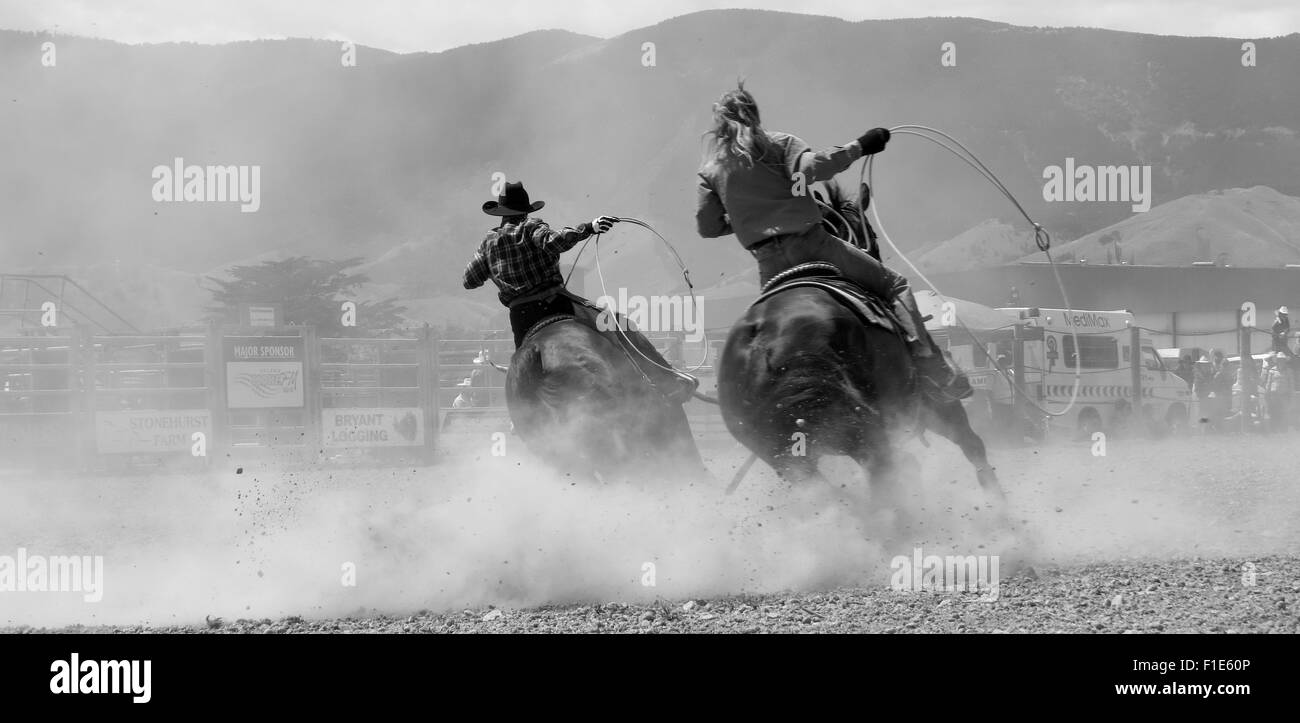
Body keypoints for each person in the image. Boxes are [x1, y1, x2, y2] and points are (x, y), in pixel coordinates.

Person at [694, 83, 969, 401]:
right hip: (814, 246)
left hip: (769, 265)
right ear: (755, 115)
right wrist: (861, 145)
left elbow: (708, 226)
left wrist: (746, 217)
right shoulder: (781, 145)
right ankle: (930, 365)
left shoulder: (711, 171)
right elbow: (814, 169)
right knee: (894, 286)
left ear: (719, 125)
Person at [463, 180, 697, 404]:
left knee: (523, 365)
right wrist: (589, 228)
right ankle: (668, 381)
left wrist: (497, 268)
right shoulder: (531, 227)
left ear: (502, 213)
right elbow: (555, 241)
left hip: (521, 318)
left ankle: (524, 412)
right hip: (555, 304)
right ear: (524, 212)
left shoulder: (488, 242)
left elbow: (469, 280)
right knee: (619, 324)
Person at [1261, 353, 1291, 432]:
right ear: (1277, 361)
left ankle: (1284, 430)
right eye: (1279, 360)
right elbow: (1268, 383)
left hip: (1284, 395)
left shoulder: (1288, 371)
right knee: (1274, 411)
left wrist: (1291, 395)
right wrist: (1267, 393)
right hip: (1273, 395)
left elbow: (1291, 384)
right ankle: (1274, 429)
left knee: (1284, 412)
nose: (1281, 361)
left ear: (1284, 361)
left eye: (1282, 360)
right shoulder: (1272, 370)